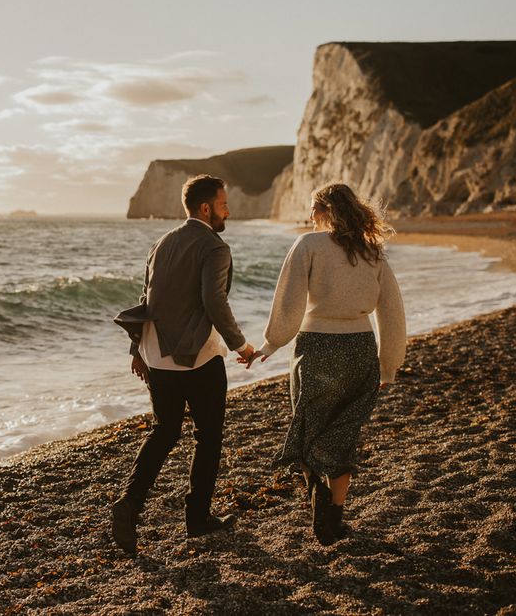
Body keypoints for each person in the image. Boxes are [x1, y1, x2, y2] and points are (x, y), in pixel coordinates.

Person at [240, 183, 406, 545]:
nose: (310, 218)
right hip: (360, 350)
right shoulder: (372, 251)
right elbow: (392, 311)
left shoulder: (307, 245)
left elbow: (289, 303)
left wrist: (269, 345)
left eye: (313, 211)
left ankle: (317, 493)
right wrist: (388, 363)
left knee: (309, 426)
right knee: (343, 434)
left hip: (316, 348)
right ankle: (333, 517)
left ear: (325, 210)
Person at [112, 174, 255, 556]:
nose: (228, 210)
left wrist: (136, 352)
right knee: (208, 437)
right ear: (206, 208)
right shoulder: (214, 247)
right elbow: (214, 302)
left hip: (157, 355)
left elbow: (146, 298)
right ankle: (197, 518)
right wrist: (240, 344)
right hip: (199, 358)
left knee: (164, 432)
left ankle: (129, 506)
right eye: (224, 204)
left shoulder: (162, 243)